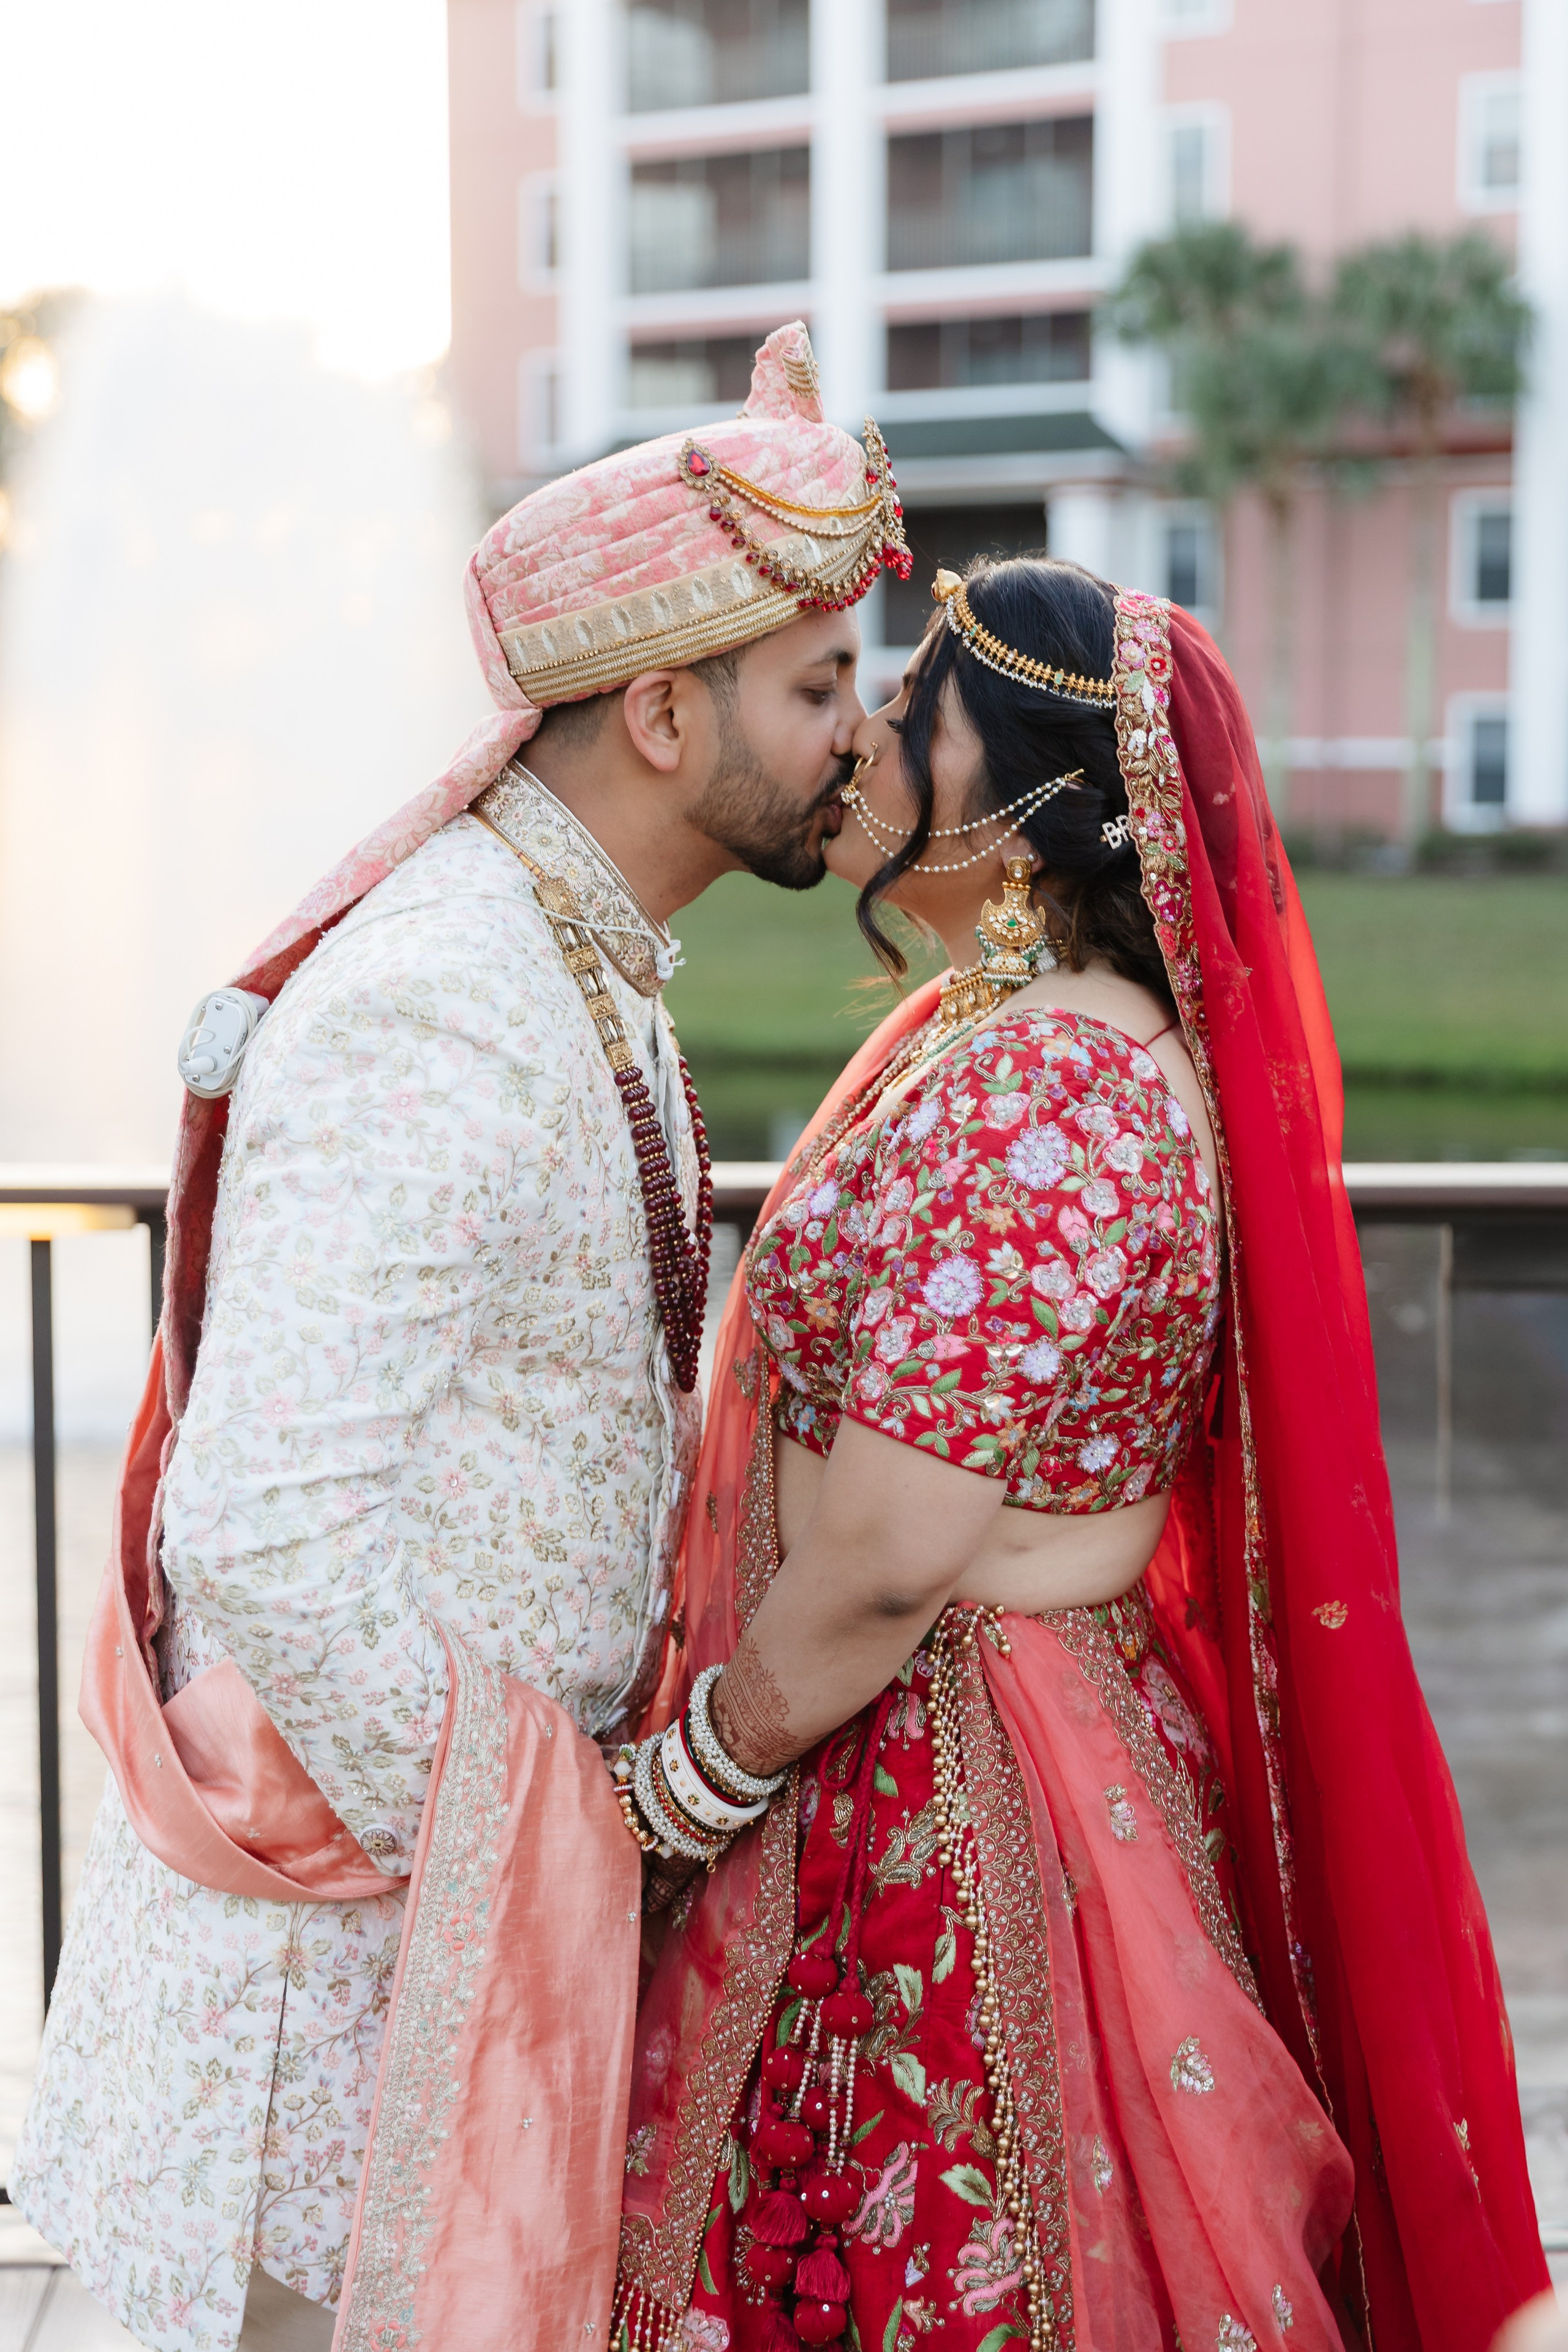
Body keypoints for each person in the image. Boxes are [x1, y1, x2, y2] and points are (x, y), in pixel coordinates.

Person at [7, 323, 910, 2352]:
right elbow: (260, 1525)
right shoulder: (451, 993)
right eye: (817, 686)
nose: (859, 737)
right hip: (337, 1988)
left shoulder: (579, 957)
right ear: (664, 713)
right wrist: (540, 1846)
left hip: (447, 1942)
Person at [612, 559, 1548, 2352]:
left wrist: (677, 1796)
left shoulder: (1050, 1093)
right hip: (962, 1730)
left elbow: (892, 1549)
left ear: (1028, 807)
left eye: (915, 711)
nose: (866, 738)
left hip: (938, 1788)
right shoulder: (1035, 1043)